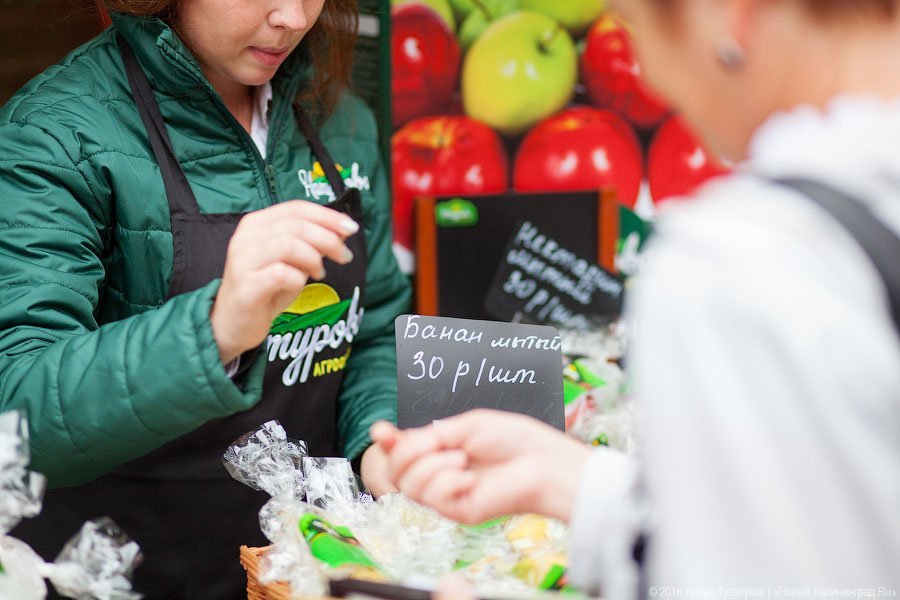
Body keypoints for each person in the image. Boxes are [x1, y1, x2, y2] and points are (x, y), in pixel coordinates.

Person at [372, 0, 900, 596]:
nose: (648, 76)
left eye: (637, 26)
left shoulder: (740, 262)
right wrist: (579, 484)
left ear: (727, 16)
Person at [0, 0, 409, 597]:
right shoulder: (54, 134)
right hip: (127, 574)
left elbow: (373, 328)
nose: (294, 18)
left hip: (305, 573)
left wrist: (380, 441)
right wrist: (214, 330)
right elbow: (17, 410)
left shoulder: (339, 116)